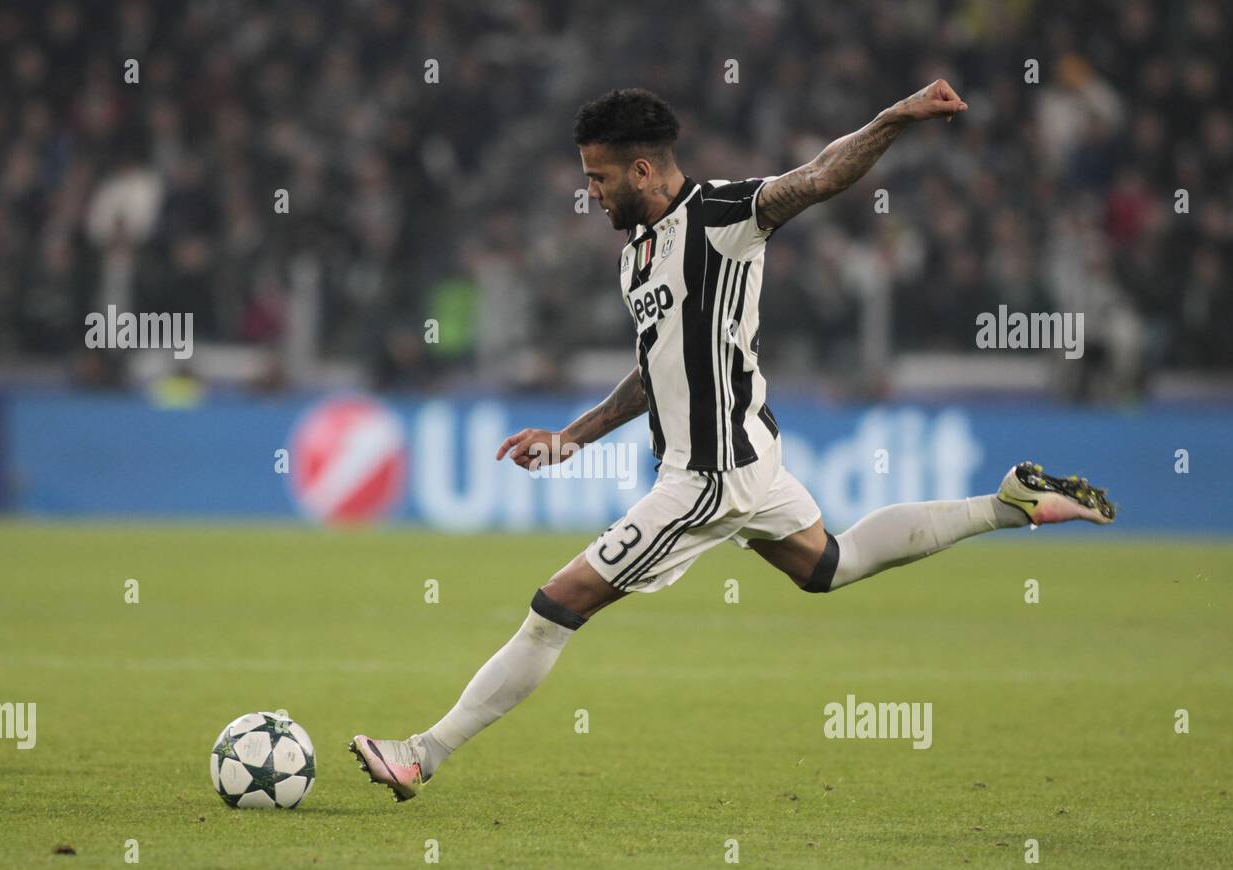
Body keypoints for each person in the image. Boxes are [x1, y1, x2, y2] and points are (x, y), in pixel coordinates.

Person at [349, 84, 1115, 800]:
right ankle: (1006, 503)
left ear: (642, 169)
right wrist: (570, 438)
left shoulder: (723, 216)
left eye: (598, 177)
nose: (590, 193)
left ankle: (423, 753)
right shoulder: (637, 257)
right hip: (748, 458)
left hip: (710, 474)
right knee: (829, 564)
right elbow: (653, 372)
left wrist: (897, 118)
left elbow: (817, 178)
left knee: (556, 606)